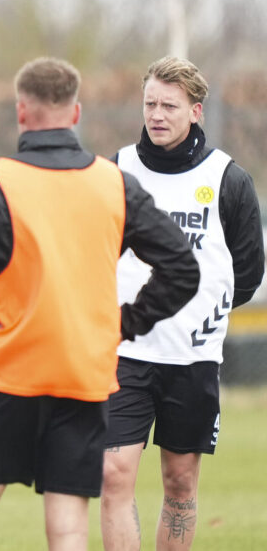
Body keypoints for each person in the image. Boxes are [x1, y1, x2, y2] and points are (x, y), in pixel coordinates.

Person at [0, 57, 200, 551]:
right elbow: (183, 269)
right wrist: (123, 324)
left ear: (21, 112)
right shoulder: (114, 183)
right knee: (67, 531)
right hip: (81, 378)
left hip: (9, 373)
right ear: (76, 112)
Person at [100, 57, 264, 551]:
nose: (156, 114)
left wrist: (204, 319)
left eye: (169, 105)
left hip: (192, 359)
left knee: (179, 483)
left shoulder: (227, 179)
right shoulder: (117, 169)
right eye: (150, 103)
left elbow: (248, 273)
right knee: (113, 473)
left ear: (195, 111)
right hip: (125, 352)